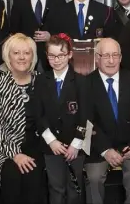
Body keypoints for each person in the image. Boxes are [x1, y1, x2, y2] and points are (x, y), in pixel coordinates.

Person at [83, 38, 130, 204]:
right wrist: (106, 150)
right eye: (106, 56)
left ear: (121, 57)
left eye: (115, 55)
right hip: (98, 148)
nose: (111, 60)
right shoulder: (85, 84)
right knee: (94, 177)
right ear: (97, 58)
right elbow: (86, 121)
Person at [0, 33, 44, 204]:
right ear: (8, 56)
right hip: (6, 146)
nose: (22, 57)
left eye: (26, 53)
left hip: (38, 144)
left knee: (35, 178)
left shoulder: (42, 82)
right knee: (13, 175)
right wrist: (15, 154)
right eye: (16, 53)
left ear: (33, 56)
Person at [33, 33, 89, 204]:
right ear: (47, 56)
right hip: (51, 146)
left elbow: (86, 116)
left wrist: (76, 144)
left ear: (69, 55)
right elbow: (38, 113)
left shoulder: (81, 81)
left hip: (75, 147)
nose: (56, 60)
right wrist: (51, 141)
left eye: (61, 55)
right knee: (56, 188)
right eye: (52, 56)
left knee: (74, 189)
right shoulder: (41, 80)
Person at [9, 0, 67, 72]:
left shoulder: (59, 0)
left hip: (52, 61)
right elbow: (14, 34)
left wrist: (51, 37)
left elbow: (64, 30)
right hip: (25, 62)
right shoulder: (18, 1)